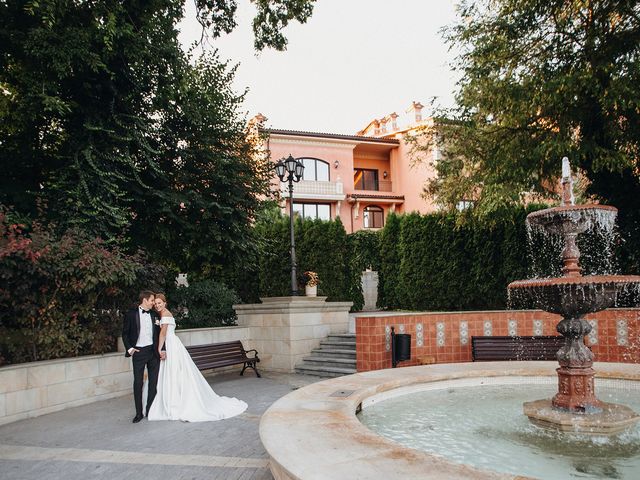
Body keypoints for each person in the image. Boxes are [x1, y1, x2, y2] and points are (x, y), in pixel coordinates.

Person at [147, 293, 247, 422]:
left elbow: (163, 333)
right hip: (174, 344)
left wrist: (159, 348)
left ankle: (176, 401)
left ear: (165, 303)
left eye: (159, 303)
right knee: (176, 372)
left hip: (171, 344)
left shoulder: (165, 314)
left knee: (174, 371)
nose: (157, 305)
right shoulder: (165, 313)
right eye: (155, 303)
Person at [122, 290, 162, 423]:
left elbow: (161, 334)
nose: (153, 303)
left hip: (153, 352)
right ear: (145, 300)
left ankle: (150, 410)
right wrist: (130, 348)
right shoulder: (131, 314)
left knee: (153, 382)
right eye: (152, 300)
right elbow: (125, 334)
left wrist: (162, 349)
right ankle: (138, 413)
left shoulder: (155, 315)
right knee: (138, 382)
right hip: (139, 353)